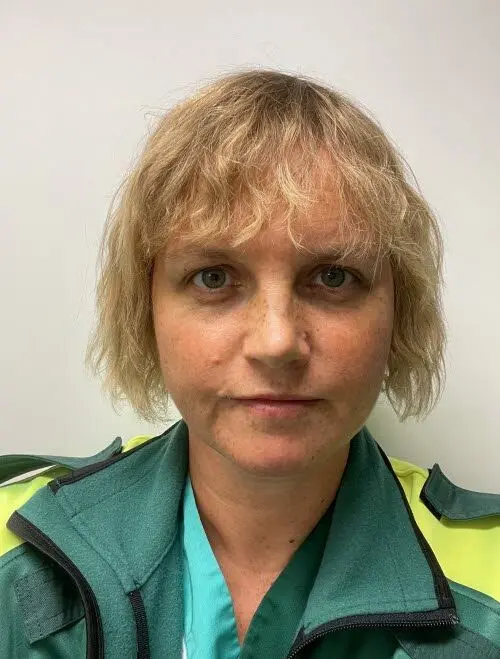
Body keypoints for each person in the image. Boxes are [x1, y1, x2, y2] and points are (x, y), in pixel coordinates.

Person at [0, 69, 499, 659]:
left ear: (399, 311)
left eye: (333, 276)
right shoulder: (16, 538)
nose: (276, 342)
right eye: (214, 278)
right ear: (144, 309)